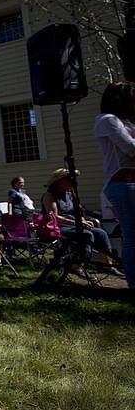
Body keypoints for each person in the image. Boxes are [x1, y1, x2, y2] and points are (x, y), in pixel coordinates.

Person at [41, 168, 122, 280]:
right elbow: (54, 217)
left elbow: (77, 212)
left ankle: (109, 265)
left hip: (75, 224)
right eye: (69, 180)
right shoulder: (49, 195)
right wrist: (77, 223)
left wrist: (83, 220)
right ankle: (78, 267)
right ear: (59, 181)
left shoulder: (69, 194)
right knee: (87, 235)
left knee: (101, 233)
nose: (72, 182)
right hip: (59, 226)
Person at [94, 80, 135, 289]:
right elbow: (130, 148)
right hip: (123, 182)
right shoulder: (107, 120)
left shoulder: (126, 121)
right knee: (132, 235)